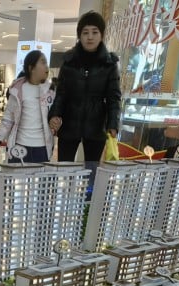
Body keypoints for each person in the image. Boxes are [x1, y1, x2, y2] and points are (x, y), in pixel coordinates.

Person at [49, 11, 121, 179]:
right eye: (85, 32)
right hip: (69, 124)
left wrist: (112, 124)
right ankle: (66, 201)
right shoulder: (69, 62)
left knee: (92, 173)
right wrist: (55, 115)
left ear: (102, 34)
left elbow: (113, 98)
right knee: (64, 170)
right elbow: (61, 93)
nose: (90, 37)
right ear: (79, 35)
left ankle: (88, 204)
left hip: (96, 126)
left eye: (95, 32)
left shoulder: (109, 64)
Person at [0, 50, 52, 163]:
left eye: (46, 63)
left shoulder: (50, 91)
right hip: (19, 146)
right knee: (16, 178)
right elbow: (8, 117)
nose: (46, 67)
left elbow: (53, 115)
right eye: (43, 62)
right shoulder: (17, 90)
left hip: (42, 147)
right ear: (31, 68)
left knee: (40, 181)